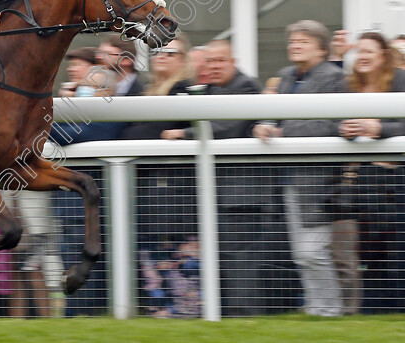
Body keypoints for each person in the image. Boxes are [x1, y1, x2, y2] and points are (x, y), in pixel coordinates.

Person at [252, 19, 347, 317]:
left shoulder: (335, 78)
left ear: (321, 48)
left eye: (303, 41)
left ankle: (330, 310)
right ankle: (316, 309)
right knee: (301, 254)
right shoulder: (284, 76)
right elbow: (274, 116)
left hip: (319, 179)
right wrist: (264, 126)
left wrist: (285, 133)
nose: (295, 45)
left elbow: (334, 124)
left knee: (312, 251)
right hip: (288, 176)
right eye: (293, 40)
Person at [335, 32, 405, 314]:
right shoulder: (347, 86)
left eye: (369, 52)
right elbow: (332, 121)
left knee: (397, 249)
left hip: (396, 180)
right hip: (360, 182)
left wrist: (380, 130)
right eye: (359, 51)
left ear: (384, 57)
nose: (362, 57)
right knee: (364, 251)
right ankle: (371, 311)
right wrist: (344, 130)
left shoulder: (400, 80)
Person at [160, 39, 261, 140]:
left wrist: (184, 133)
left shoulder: (246, 85)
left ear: (233, 62)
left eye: (220, 60)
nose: (214, 66)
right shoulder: (211, 87)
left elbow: (229, 128)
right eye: (209, 61)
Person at [121, 34, 192, 140]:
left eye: (170, 53)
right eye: (156, 51)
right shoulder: (145, 88)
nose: (162, 56)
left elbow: (159, 129)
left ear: (183, 61)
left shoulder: (183, 88)